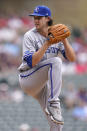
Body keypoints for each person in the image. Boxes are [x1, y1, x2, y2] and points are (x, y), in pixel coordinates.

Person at [18, 5, 76, 131]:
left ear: (48, 19)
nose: (36, 20)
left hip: (43, 86)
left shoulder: (56, 35)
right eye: (35, 17)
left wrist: (64, 40)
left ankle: (54, 105)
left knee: (57, 122)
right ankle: (53, 102)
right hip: (28, 77)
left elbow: (72, 58)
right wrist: (47, 43)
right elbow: (32, 61)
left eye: (39, 17)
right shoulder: (30, 35)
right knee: (55, 61)